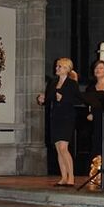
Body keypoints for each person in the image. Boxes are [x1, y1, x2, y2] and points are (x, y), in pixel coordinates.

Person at [37, 58, 82, 187]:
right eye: (57, 66)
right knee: (58, 149)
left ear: (67, 69)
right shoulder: (52, 82)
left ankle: (71, 177)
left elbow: (78, 100)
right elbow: (48, 99)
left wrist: (64, 98)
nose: (56, 68)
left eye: (60, 66)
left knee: (63, 148)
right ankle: (63, 177)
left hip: (67, 117)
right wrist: (42, 100)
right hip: (55, 117)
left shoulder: (72, 83)